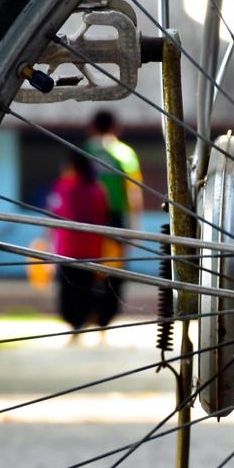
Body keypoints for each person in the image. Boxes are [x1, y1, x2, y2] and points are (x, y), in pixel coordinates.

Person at [82, 110, 144, 329]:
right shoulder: (124, 153)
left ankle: (82, 320)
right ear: (116, 128)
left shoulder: (83, 151)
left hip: (86, 220)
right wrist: (135, 225)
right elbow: (133, 191)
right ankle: (105, 322)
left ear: (92, 127)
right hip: (115, 219)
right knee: (113, 271)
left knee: (84, 268)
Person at [47, 151, 111, 340]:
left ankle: (79, 325)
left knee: (75, 291)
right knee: (79, 290)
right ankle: (80, 325)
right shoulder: (96, 190)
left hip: (74, 250)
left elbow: (53, 217)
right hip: (82, 250)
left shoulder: (69, 188)